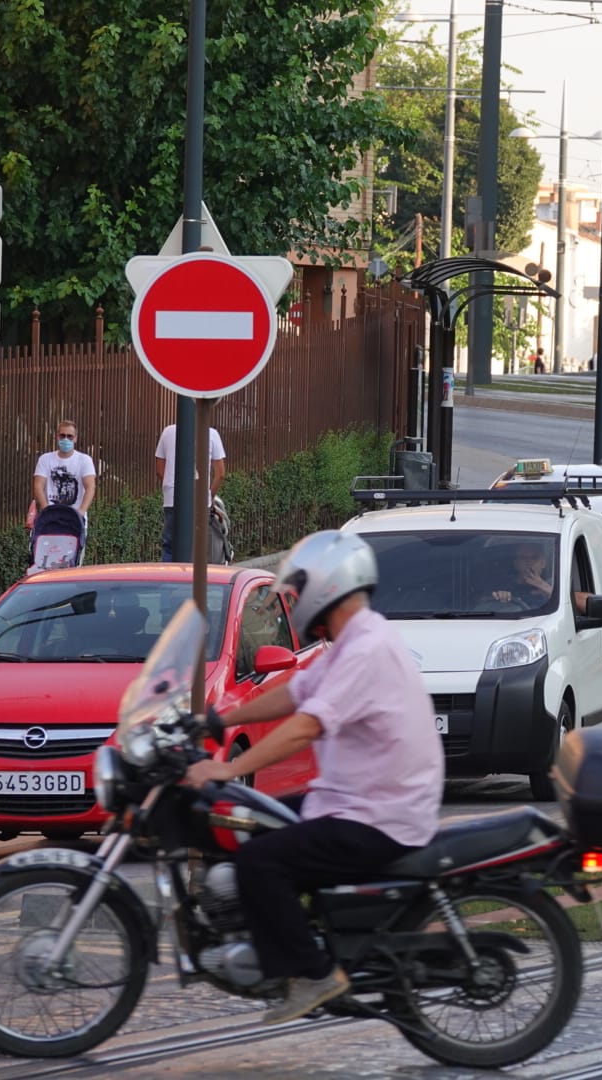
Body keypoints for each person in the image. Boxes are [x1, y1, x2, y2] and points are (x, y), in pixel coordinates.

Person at [183, 531, 444, 1025]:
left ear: (329, 587)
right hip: (354, 800)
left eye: (299, 590)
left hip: (377, 815)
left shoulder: (366, 648)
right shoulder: (354, 642)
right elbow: (296, 693)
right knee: (251, 824)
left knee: (261, 861)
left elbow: (308, 723)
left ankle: (313, 973)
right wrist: (219, 719)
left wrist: (232, 767)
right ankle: (284, 940)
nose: (294, 600)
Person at [155, 422, 227, 561]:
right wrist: (209, 496)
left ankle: (169, 577)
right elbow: (220, 474)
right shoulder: (211, 434)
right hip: (199, 499)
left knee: (170, 545)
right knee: (197, 546)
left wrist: (173, 487)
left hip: (172, 499)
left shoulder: (168, 432)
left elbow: (159, 469)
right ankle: (191, 579)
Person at [33, 420, 96, 560]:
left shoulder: (84, 460)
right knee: (47, 561)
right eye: (62, 436)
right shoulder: (45, 459)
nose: (66, 439)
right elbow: (38, 485)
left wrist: (80, 511)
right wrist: (46, 509)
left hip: (74, 520)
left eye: (70, 436)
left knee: (73, 561)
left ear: (76, 438)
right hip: (50, 521)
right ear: (57, 437)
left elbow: (90, 486)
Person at [491, 540, 555, 606]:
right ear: (516, 563)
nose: (528, 562)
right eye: (523, 558)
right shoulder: (502, 585)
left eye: (534, 558)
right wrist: (499, 597)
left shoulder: (556, 585)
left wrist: (549, 592)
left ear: (543, 563)